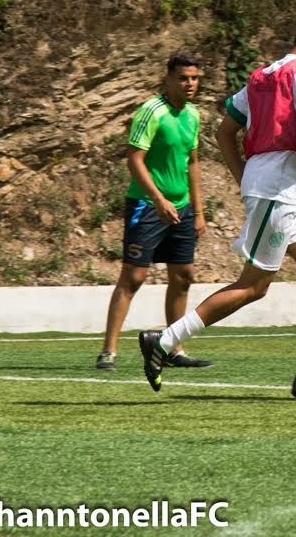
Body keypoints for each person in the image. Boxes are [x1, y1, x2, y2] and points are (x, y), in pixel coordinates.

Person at [137, 6, 296, 403]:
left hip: (270, 185)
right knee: (252, 287)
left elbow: (224, 132)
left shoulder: (261, 75)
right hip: (276, 188)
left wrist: (245, 179)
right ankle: (165, 340)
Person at [95, 53, 212, 372]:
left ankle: (173, 347)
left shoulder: (193, 114)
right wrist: (159, 200)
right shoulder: (151, 111)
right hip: (147, 206)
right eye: (183, 78)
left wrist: (199, 211)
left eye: (194, 78)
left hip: (183, 207)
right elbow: (134, 160)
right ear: (168, 79)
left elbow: (194, 162)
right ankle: (108, 351)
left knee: (184, 276)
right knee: (134, 277)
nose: (190, 83)